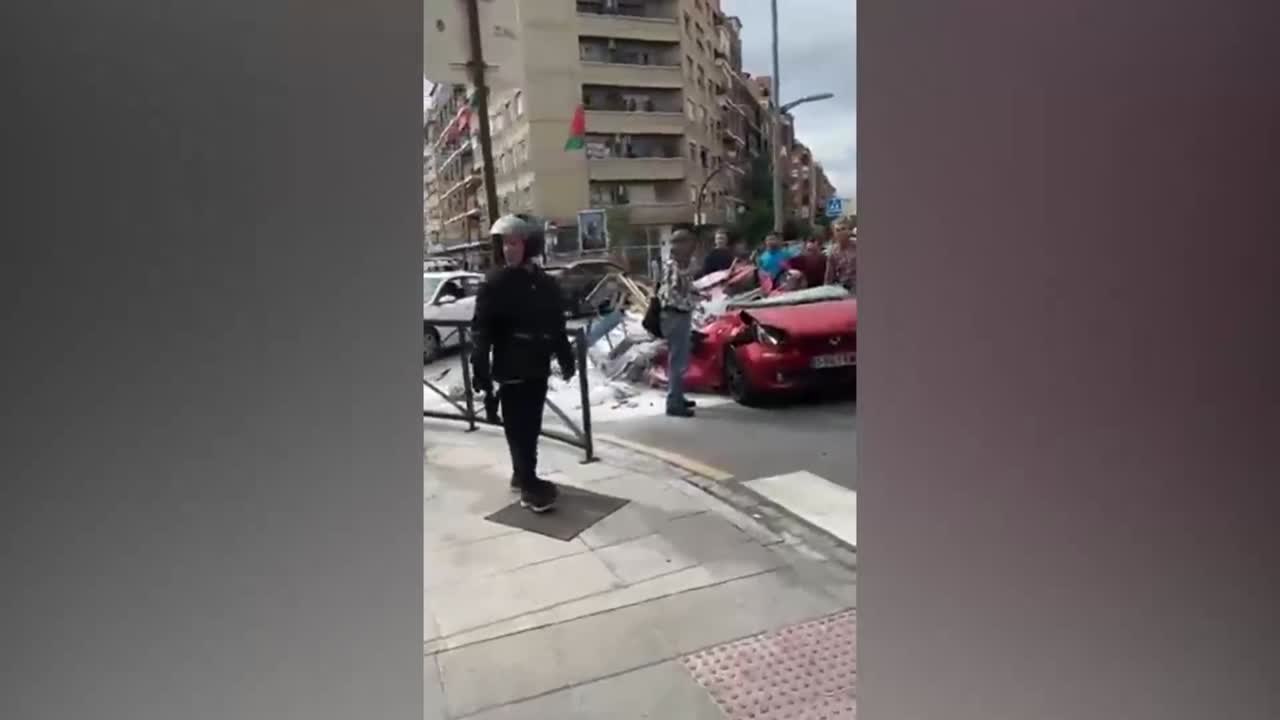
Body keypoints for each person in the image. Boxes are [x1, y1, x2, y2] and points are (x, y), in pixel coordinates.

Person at [471, 214, 575, 513]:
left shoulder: (545, 284)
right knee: (519, 427)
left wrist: (566, 357)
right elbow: (481, 329)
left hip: (538, 364)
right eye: (504, 244)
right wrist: (480, 365)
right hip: (510, 363)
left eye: (514, 243)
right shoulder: (495, 282)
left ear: (529, 245)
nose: (508, 250)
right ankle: (530, 485)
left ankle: (522, 474)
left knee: (532, 425)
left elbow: (556, 325)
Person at [659, 230, 700, 418]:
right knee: (677, 360)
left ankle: (678, 395)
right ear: (681, 245)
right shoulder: (674, 265)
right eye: (689, 244)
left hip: (679, 313)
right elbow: (676, 289)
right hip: (675, 314)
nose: (692, 248)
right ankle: (673, 402)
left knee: (680, 358)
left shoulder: (680, 264)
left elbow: (687, 287)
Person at [825, 218, 857, 292]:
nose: (840, 233)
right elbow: (829, 277)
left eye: (843, 229)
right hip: (843, 289)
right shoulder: (832, 252)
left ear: (849, 231)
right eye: (837, 230)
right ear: (834, 233)